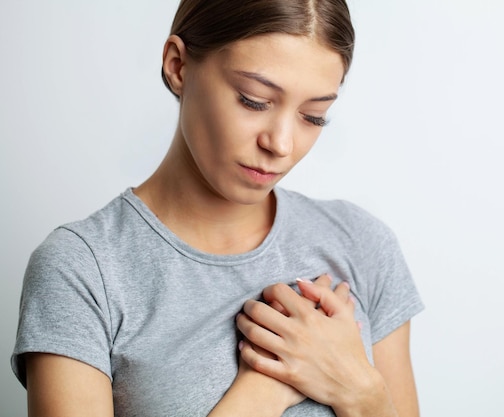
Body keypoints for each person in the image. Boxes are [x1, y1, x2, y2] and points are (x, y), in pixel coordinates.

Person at [11, 0, 424, 416]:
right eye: (254, 100)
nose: (281, 144)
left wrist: (361, 391)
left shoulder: (360, 242)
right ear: (177, 66)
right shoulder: (84, 269)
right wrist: (265, 387)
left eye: (312, 116)